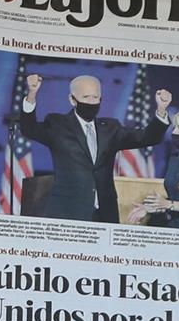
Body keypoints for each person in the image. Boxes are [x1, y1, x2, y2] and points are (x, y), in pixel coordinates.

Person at [14, 72, 170, 223]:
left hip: (105, 213)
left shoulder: (111, 128)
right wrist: (32, 94)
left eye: (95, 97)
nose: (90, 102)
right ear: (72, 99)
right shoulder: (57, 124)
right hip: (67, 211)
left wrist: (161, 110)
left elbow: (148, 137)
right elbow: (29, 129)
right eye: (86, 97)